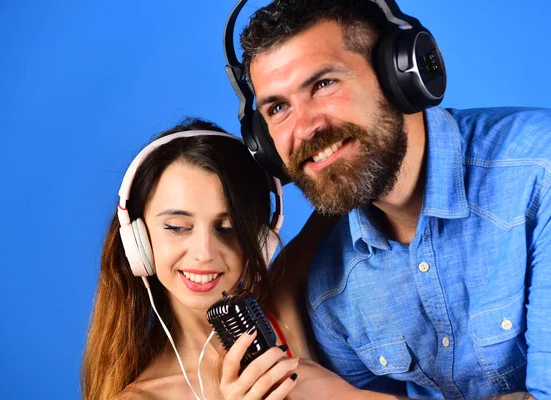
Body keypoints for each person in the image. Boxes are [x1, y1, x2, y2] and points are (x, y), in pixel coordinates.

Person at [232, 0, 551, 398]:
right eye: (279, 107)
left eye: (324, 84)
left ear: (401, 74)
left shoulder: (540, 175)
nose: (306, 129)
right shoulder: (332, 292)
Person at [80, 118, 377, 400]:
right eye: (177, 228)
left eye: (228, 228)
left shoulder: (285, 306)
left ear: (263, 239)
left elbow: (358, 174)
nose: (204, 253)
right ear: (138, 240)